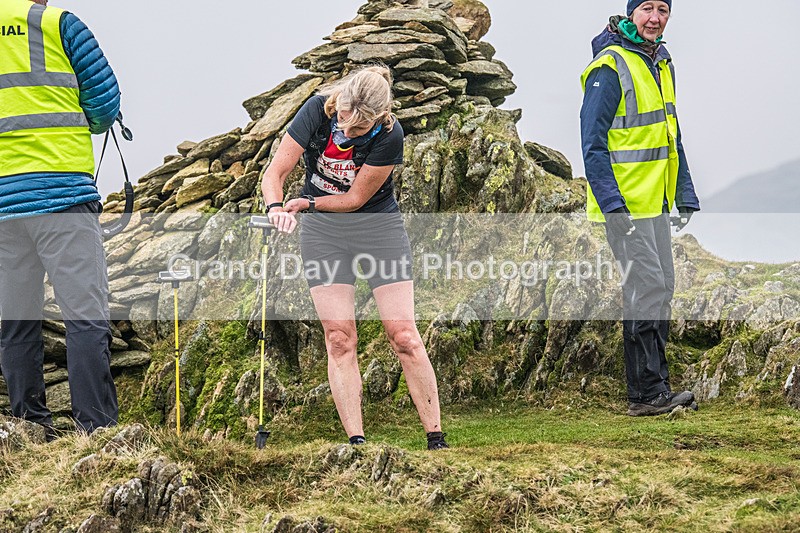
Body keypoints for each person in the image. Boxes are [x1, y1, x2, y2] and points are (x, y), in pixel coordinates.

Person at [262, 65, 449, 450]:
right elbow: (275, 172)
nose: (347, 133)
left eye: (358, 131)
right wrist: (275, 208)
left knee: (404, 336)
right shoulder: (316, 110)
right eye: (345, 122)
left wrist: (309, 201)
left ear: (379, 120)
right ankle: (357, 444)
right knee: (339, 338)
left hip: (377, 229)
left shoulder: (390, 134)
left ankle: (435, 437)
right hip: (323, 234)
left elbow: (355, 199)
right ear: (341, 103)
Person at [0, 0, 121, 436]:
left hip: (3, 208)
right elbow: (105, 107)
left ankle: (29, 429)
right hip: (63, 197)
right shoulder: (59, 24)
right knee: (85, 317)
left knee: (16, 323)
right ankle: (98, 430)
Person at [580, 0, 701, 416]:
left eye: (663, 9)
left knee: (662, 286)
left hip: (655, 205)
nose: (655, 18)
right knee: (645, 289)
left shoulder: (661, 62)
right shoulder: (609, 66)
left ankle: (657, 388)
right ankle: (645, 394)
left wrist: (684, 191)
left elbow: (671, 133)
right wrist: (614, 205)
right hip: (624, 208)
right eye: (646, 8)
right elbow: (592, 145)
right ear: (631, 13)